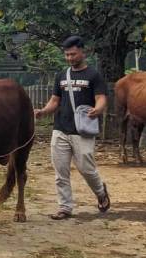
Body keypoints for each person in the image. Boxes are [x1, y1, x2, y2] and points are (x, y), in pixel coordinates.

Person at [33, 35, 111, 219]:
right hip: (60, 129)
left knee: (86, 169)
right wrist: (43, 112)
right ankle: (65, 207)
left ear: (82, 52)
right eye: (67, 55)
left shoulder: (94, 75)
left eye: (73, 54)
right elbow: (55, 101)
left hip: (82, 131)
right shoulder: (61, 76)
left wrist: (97, 109)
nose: (70, 58)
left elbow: (101, 99)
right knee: (61, 172)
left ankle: (100, 192)